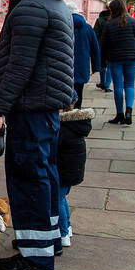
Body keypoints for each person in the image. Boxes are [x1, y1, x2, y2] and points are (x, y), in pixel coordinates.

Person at [0, 0, 74, 270]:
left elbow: (19, 67)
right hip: (45, 107)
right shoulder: (55, 2)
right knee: (45, 176)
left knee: (29, 180)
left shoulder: (31, 7)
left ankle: (36, 258)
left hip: (30, 108)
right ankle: (47, 241)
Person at [100, 0, 135, 125]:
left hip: (115, 58)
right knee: (130, 85)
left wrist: (102, 62)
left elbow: (103, 45)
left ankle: (119, 114)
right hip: (132, 58)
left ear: (113, 10)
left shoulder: (110, 24)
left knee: (118, 86)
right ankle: (129, 111)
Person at [57, 102, 94, 248]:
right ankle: (68, 226)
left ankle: (63, 234)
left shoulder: (63, 128)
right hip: (70, 172)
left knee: (57, 201)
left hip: (63, 172)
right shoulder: (74, 125)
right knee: (62, 199)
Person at [68, 3, 100, 108]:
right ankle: (77, 113)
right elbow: (95, 48)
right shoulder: (87, 27)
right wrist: (96, 67)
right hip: (82, 66)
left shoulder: (61, 25)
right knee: (79, 91)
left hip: (64, 66)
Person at [93, 5, 113, 92]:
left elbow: (95, 33)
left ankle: (102, 82)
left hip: (101, 45)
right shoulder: (114, 19)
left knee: (103, 64)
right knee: (110, 65)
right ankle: (107, 84)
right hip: (112, 45)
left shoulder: (100, 19)